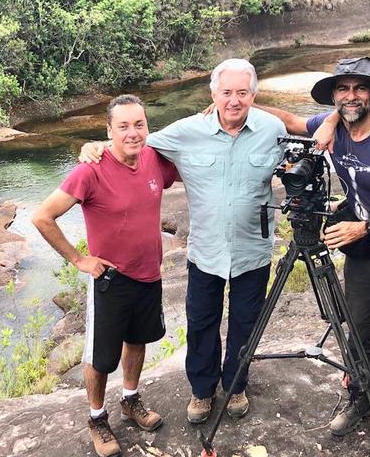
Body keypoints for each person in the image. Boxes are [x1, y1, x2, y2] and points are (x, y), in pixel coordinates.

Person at [80, 59, 286, 424]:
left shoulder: (273, 129)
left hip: (253, 250)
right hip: (206, 251)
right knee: (202, 322)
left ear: (254, 95)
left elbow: (305, 145)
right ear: (213, 94)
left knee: (245, 322)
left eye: (242, 92)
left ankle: (236, 385)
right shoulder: (187, 131)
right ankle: (202, 391)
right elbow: (135, 143)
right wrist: (96, 144)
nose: (234, 100)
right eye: (226, 92)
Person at [257, 57, 370, 457]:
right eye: (343, 89)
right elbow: (288, 120)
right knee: (357, 331)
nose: (350, 96)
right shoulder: (332, 125)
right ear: (334, 96)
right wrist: (239, 104)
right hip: (361, 256)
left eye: (359, 88)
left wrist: (364, 227)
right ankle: (360, 397)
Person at [32, 94, 178, 457]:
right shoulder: (90, 170)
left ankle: (130, 399)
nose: (133, 133)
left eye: (139, 124)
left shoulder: (156, 160)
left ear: (148, 125)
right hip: (111, 280)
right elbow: (42, 217)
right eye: (123, 126)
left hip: (150, 273)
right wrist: (79, 259)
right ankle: (97, 418)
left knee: (139, 339)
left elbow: (193, 146)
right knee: (99, 357)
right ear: (108, 130)